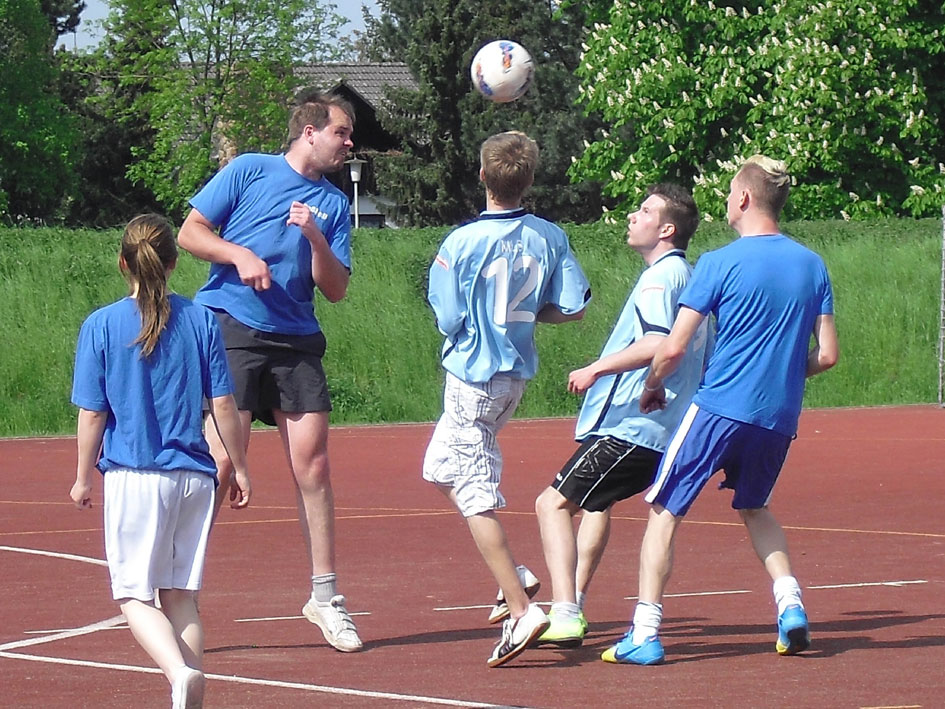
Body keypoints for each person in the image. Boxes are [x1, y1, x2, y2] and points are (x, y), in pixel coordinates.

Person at [603, 155, 839, 666]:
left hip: (719, 406)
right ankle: (790, 603)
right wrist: (776, 373)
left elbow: (672, 347)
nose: (727, 200)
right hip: (778, 417)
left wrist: (651, 385)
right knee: (755, 507)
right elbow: (827, 355)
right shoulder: (812, 263)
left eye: (731, 191)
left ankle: (644, 633)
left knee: (664, 511)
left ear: (745, 199)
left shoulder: (717, 262)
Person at [176, 92, 362, 653]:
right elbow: (189, 234)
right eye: (342, 132)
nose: (350, 142)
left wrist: (314, 237)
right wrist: (238, 255)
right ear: (310, 131)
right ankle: (183, 595)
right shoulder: (249, 170)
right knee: (221, 465)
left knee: (316, 466)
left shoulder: (332, 204)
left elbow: (335, 289)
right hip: (231, 327)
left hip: (297, 339)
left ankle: (326, 598)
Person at [423, 131, 592, 668]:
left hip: (473, 377)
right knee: (440, 466)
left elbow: (448, 318)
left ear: (481, 176)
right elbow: (573, 306)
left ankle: (521, 609)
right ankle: (514, 573)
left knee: (476, 496)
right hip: (513, 377)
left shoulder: (459, 243)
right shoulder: (550, 236)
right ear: (530, 180)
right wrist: (531, 315)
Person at [70, 214, 252, 709]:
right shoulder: (200, 320)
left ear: (121, 263)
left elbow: (92, 412)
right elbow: (223, 405)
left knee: (133, 594)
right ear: (173, 263)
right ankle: (188, 685)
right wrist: (238, 465)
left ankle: (178, 673)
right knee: (181, 597)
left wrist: (83, 476)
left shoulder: (102, 325)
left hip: (136, 475)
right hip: (195, 477)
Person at [534, 183, 709, 648]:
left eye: (645, 210)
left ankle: (565, 610)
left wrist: (596, 367)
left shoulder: (660, 278)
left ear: (667, 229)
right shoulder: (686, 277)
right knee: (595, 503)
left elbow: (657, 342)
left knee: (550, 505)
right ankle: (574, 602)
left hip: (636, 427)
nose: (634, 215)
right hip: (660, 427)